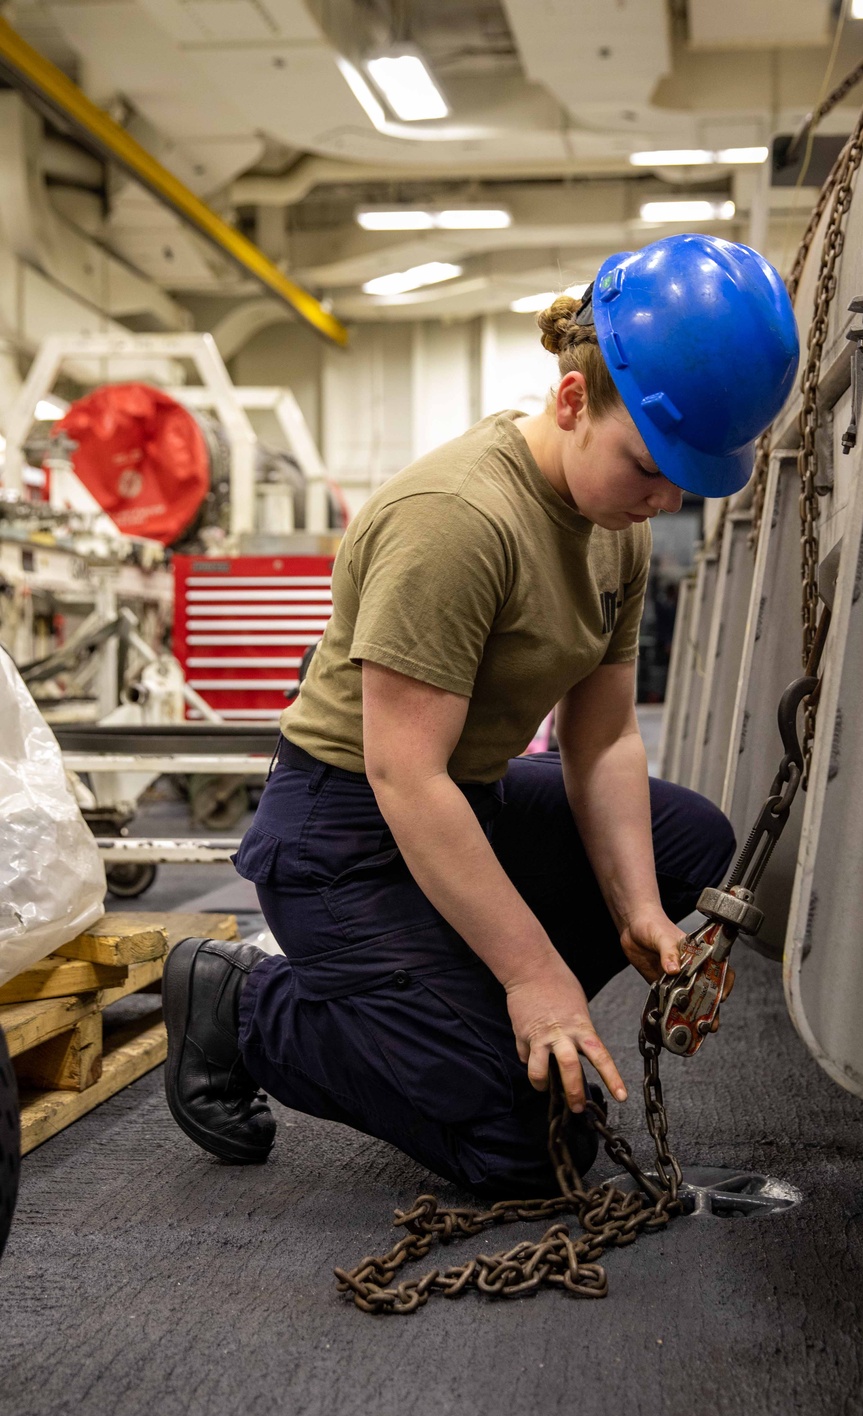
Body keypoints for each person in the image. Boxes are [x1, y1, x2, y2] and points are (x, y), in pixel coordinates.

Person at [161, 233, 799, 1197]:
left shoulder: (613, 527)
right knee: (531, 1146)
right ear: (574, 402)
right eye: (649, 466)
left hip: (469, 805)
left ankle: (458, 1019)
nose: (666, 498)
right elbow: (402, 775)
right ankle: (245, 1006)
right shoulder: (457, 518)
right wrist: (535, 976)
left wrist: (637, 914)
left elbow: (606, 738)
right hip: (345, 839)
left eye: (690, 481)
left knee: (689, 845)